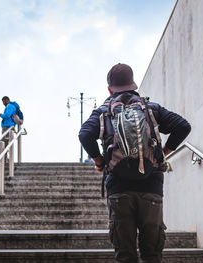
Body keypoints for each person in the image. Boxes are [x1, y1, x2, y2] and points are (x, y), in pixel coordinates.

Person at [79, 63, 191, 263]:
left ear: (109, 89)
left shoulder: (103, 111)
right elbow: (183, 126)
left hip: (119, 189)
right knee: (152, 254)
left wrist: (99, 161)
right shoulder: (151, 108)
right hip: (151, 187)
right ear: (133, 85)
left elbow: (85, 134)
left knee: (125, 255)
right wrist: (163, 153)